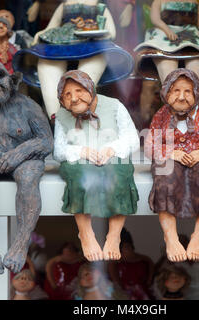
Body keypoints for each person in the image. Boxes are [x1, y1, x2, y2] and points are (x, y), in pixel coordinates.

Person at [145, 68, 199, 263]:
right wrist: (171, 153)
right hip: (171, 158)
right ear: (166, 92)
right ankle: (171, 237)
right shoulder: (161, 115)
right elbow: (150, 146)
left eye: (187, 91)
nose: (181, 97)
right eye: (176, 91)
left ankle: (198, 236)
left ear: (197, 93)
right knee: (165, 177)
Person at [54, 70, 140, 262]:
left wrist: (112, 149)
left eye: (78, 90)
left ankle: (114, 235)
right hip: (79, 160)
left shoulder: (114, 106)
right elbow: (59, 150)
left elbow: (132, 139)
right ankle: (86, 234)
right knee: (79, 176)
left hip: (112, 157)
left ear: (90, 88)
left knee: (120, 174)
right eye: (67, 94)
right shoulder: (62, 115)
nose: (74, 98)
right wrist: (81, 151)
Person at [13, 0, 134, 119]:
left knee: (86, 73)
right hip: (62, 42)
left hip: (91, 45)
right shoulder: (64, 6)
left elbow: (111, 32)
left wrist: (100, 34)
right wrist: (41, 34)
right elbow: (51, 27)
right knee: (48, 65)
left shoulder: (99, 6)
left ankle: (79, 110)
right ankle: (56, 118)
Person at [134, 0, 199, 83]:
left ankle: (192, 91)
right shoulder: (160, 1)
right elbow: (155, 19)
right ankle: (171, 92)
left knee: (196, 64)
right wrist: (167, 30)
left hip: (191, 37)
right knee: (168, 68)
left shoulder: (194, 2)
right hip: (165, 36)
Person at [107, 228, 154, 300]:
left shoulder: (142, 259)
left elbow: (150, 263)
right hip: (125, 293)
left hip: (142, 291)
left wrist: (149, 281)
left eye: (129, 247)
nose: (128, 249)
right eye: (125, 247)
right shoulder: (114, 262)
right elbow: (115, 281)